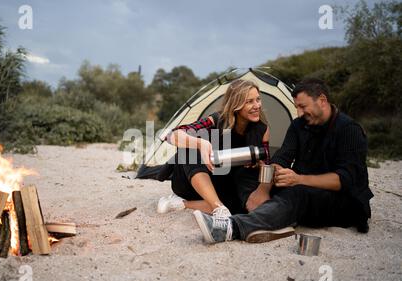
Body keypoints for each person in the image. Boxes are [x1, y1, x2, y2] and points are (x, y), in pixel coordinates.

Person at [193, 78, 374, 243]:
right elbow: (282, 157)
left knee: (297, 193)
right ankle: (264, 216)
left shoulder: (349, 130)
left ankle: (231, 228)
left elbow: (344, 180)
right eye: (297, 107)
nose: (299, 112)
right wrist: (263, 189)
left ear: (322, 100)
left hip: (342, 202)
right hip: (301, 189)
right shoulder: (298, 125)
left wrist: (298, 179)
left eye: (303, 107)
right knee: (248, 172)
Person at [157, 79, 270, 217]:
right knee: (189, 148)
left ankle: (183, 204)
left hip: (222, 183)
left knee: (239, 203)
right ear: (236, 104)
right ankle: (219, 209)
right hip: (191, 180)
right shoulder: (217, 120)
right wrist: (200, 144)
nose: (257, 105)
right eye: (249, 101)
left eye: (258, 99)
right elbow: (170, 135)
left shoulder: (262, 130)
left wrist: (258, 164)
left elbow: (267, 164)